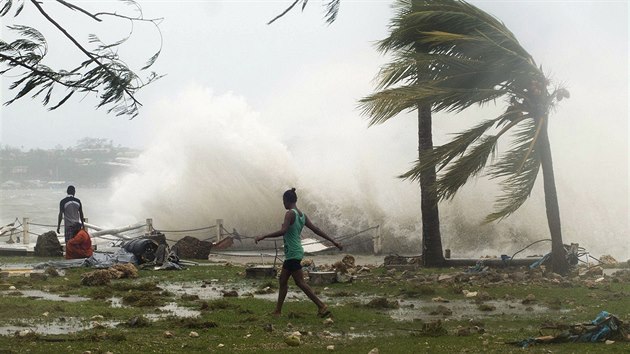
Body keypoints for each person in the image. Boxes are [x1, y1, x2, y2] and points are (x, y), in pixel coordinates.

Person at [255, 188, 343, 318]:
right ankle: (278, 311)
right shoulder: (302, 215)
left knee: (299, 282)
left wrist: (263, 236)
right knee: (283, 280)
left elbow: (283, 231)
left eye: (283, 201)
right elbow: (316, 230)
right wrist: (333, 241)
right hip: (296, 251)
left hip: (292, 253)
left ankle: (321, 306)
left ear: (286, 200)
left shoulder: (290, 214)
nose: (283, 204)